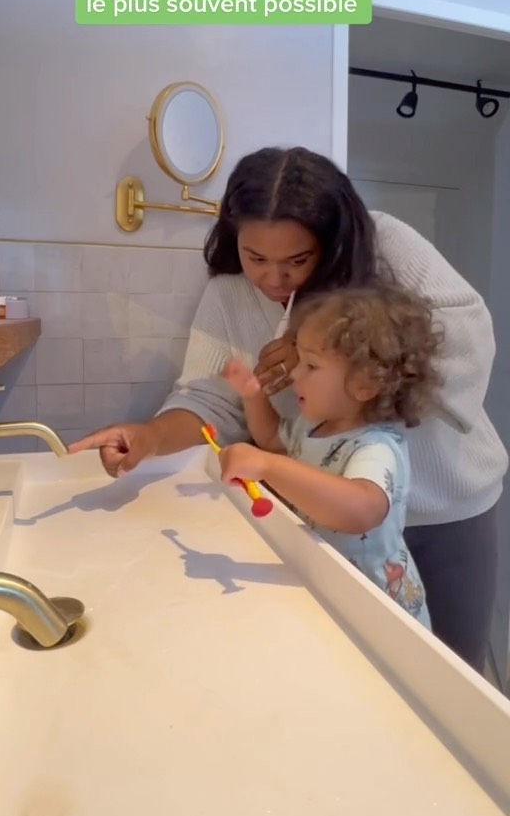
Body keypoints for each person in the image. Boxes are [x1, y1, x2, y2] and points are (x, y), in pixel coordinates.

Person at [70, 146, 508, 673]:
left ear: (333, 240)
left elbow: (469, 343)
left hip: (445, 510)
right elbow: (208, 399)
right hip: (325, 522)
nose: (274, 281)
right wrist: (150, 438)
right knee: (357, 677)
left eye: (298, 261)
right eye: (255, 258)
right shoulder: (229, 294)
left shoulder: (384, 243)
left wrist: (341, 353)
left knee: (457, 680)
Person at [218, 283, 444, 628]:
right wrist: (252, 396)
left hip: (379, 617)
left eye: (311, 365)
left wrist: (268, 466)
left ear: (365, 384)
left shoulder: (376, 447)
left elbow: (361, 510)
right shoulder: (314, 425)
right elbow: (272, 439)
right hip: (327, 590)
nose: (295, 373)